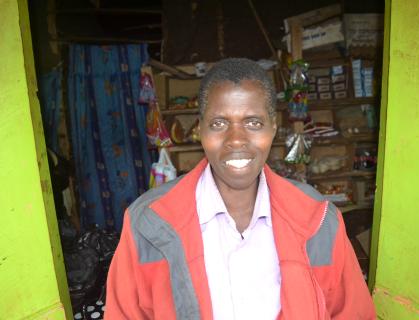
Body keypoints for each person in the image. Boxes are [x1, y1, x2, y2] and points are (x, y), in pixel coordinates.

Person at [105, 58, 376, 319]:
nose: (236, 140)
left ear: (273, 128)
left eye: (253, 123)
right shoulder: (148, 221)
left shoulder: (318, 218)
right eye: (219, 123)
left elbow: (353, 313)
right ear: (200, 130)